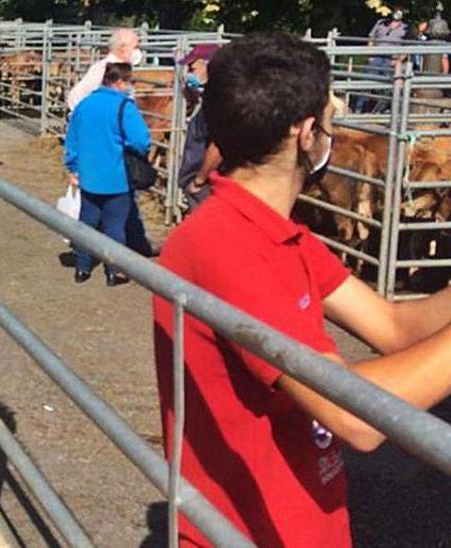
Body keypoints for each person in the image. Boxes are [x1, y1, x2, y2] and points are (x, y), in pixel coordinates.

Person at [154, 31, 451, 546]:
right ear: (307, 132)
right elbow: (354, 417)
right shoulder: (227, 247)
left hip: (301, 518)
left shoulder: (277, 232)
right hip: (252, 530)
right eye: (332, 122)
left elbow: (395, 327)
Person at [63, 62, 151, 286]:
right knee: (114, 226)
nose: (130, 87)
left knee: (87, 222)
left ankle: (82, 268)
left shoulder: (84, 105)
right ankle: (113, 271)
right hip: (117, 176)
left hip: (89, 175)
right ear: (119, 82)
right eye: (129, 82)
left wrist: (73, 167)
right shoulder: (124, 107)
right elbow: (141, 140)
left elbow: (72, 140)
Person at [176, 44, 220, 210]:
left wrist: (199, 180)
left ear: (207, 65)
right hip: (201, 179)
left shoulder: (217, 101)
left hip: (204, 183)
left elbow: (218, 145)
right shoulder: (210, 96)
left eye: (192, 68)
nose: (189, 73)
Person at [67, 28, 143, 111]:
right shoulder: (102, 69)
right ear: (122, 47)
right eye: (135, 47)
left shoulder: (119, 69)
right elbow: (75, 96)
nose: (137, 51)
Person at [356, 8, 409, 113]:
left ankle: (382, 110)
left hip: (392, 59)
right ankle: (360, 108)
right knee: (367, 81)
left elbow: (408, 46)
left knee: (388, 86)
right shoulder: (380, 23)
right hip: (376, 57)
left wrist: (399, 60)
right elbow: (371, 38)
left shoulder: (405, 28)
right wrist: (370, 55)